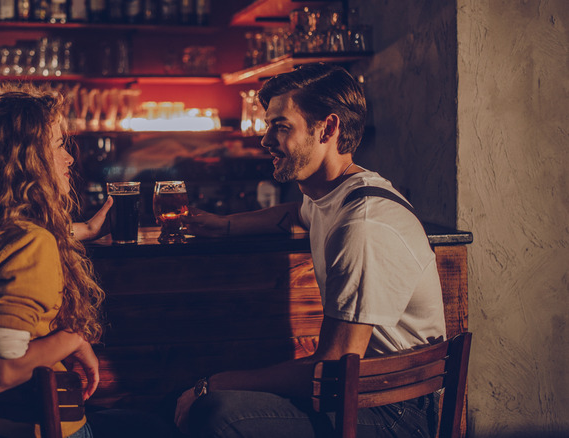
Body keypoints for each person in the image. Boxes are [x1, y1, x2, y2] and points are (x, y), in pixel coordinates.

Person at [174, 64, 447, 438]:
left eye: (281, 126)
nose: (265, 140)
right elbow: (293, 214)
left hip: (394, 411)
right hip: (363, 392)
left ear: (328, 129)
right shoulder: (332, 194)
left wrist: (214, 383)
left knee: (218, 412)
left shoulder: (363, 225)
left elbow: (333, 369)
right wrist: (224, 225)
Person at [0, 87, 163, 438]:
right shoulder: (32, 244)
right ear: (26, 161)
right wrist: (74, 337)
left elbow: (13, 247)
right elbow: (2, 373)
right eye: (58, 146)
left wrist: (84, 229)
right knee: (163, 425)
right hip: (39, 429)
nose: (69, 159)